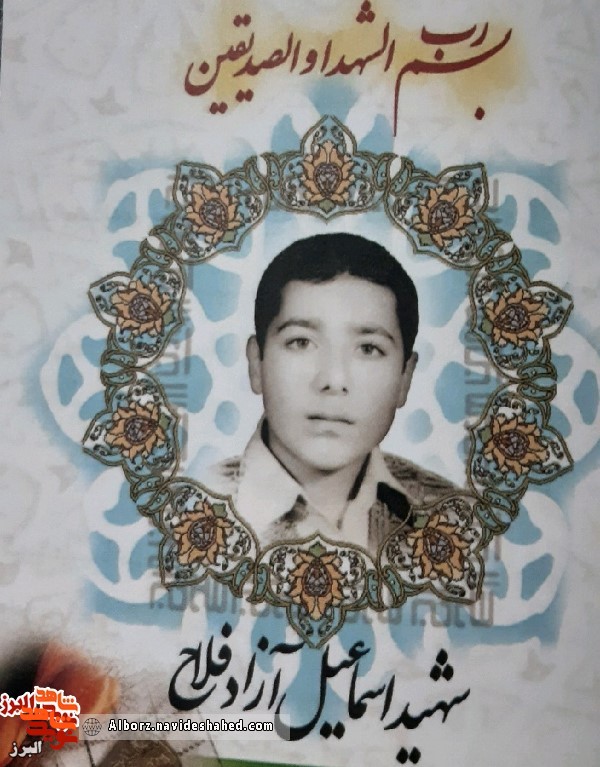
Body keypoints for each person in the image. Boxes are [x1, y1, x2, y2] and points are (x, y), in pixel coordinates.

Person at [206, 233, 455, 555]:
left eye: (368, 348)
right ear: (257, 364)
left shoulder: (454, 517)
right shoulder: (197, 506)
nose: (334, 380)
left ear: (405, 378)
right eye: (301, 342)